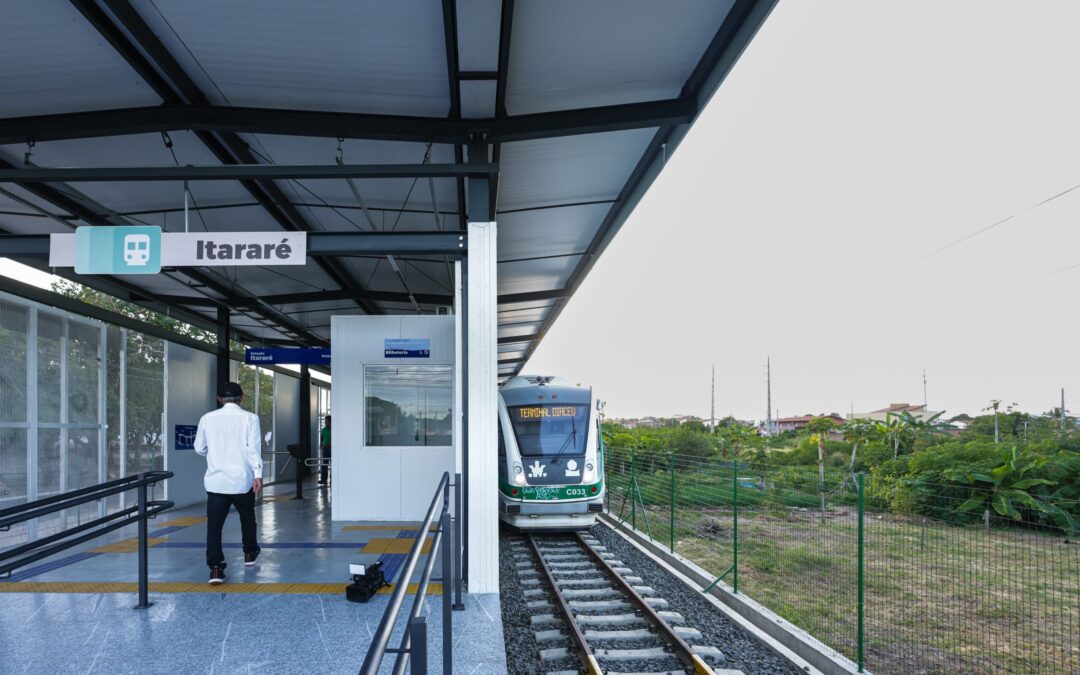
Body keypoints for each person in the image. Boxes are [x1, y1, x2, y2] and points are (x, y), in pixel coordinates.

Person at [194, 381, 262, 585]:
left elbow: (199, 448)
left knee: (214, 526)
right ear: (241, 398)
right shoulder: (250, 418)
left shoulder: (207, 418)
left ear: (219, 399)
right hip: (242, 480)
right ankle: (249, 553)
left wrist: (215, 453)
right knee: (247, 517)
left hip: (216, 482)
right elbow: (253, 449)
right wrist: (257, 474)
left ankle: (215, 568)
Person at [318, 415, 332, 486]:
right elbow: (321, 437)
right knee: (324, 465)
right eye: (325, 421)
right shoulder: (324, 429)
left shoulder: (334, 430)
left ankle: (332, 480)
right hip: (325, 449)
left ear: (331, 422)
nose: (325, 423)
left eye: (326, 422)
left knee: (333, 465)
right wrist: (321, 444)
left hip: (331, 449)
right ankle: (324, 480)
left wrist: (329, 444)